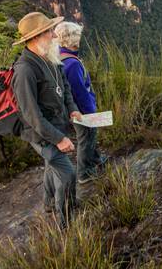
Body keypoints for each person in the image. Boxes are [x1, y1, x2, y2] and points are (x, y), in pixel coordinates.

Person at [12, 12, 82, 228]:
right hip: (42, 134)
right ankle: (65, 222)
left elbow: (65, 86)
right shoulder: (24, 70)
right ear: (36, 37)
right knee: (68, 174)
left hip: (56, 125)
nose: (54, 35)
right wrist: (59, 139)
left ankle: (49, 204)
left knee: (51, 166)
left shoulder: (51, 57)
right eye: (49, 31)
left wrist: (72, 109)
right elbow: (31, 114)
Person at [54, 21, 107, 184]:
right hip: (82, 110)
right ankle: (85, 172)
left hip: (72, 109)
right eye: (78, 35)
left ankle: (96, 158)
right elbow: (80, 92)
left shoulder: (59, 57)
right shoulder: (73, 64)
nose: (80, 39)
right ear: (71, 38)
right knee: (86, 137)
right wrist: (91, 111)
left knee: (90, 136)